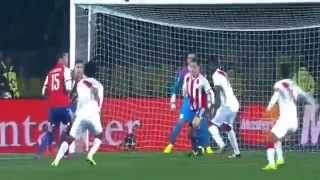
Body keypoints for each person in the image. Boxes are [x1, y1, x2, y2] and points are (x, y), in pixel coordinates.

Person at [51, 61, 104, 167]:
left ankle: (56, 161)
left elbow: (76, 99)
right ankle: (90, 155)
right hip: (93, 114)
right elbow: (100, 104)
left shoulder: (80, 84)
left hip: (81, 115)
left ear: (85, 71)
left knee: (69, 138)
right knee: (99, 136)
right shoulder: (100, 86)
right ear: (96, 72)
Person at [163, 54, 213, 154]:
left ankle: (206, 147)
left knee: (202, 124)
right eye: (189, 59)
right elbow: (176, 87)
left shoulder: (202, 74)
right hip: (188, 102)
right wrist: (173, 101)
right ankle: (170, 144)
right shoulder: (184, 73)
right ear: (187, 61)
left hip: (199, 104)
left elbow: (207, 90)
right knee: (181, 122)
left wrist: (209, 104)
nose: (190, 61)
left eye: (192, 59)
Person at [262, 79, 315, 171]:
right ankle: (280, 159)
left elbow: (275, 95)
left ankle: (271, 164)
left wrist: (268, 107)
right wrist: (314, 103)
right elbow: (306, 97)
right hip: (294, 124)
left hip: (285, 121)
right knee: (276, 137)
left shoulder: (279, 85)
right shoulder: (295, 88)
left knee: (270, 138)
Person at [37, 52, 72, 158]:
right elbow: (68, 88)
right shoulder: (65, 70)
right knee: (70, 128)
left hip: (52, 108)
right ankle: (65, 153)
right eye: (66, 57)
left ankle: (39, 153)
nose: (67, 60)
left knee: (51, 131)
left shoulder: (50, 73)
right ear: (61, 59)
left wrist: (52, 96)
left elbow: (43, 92)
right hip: (64, 106)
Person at [209, 65, 241, 158]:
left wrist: (215, 106)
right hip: (235, 104)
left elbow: (218, 91)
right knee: (228, 128)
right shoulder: (223, 73)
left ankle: (222, 145)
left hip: (227, 106)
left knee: (210, 124)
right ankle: (237, 152)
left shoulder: (215, 75)